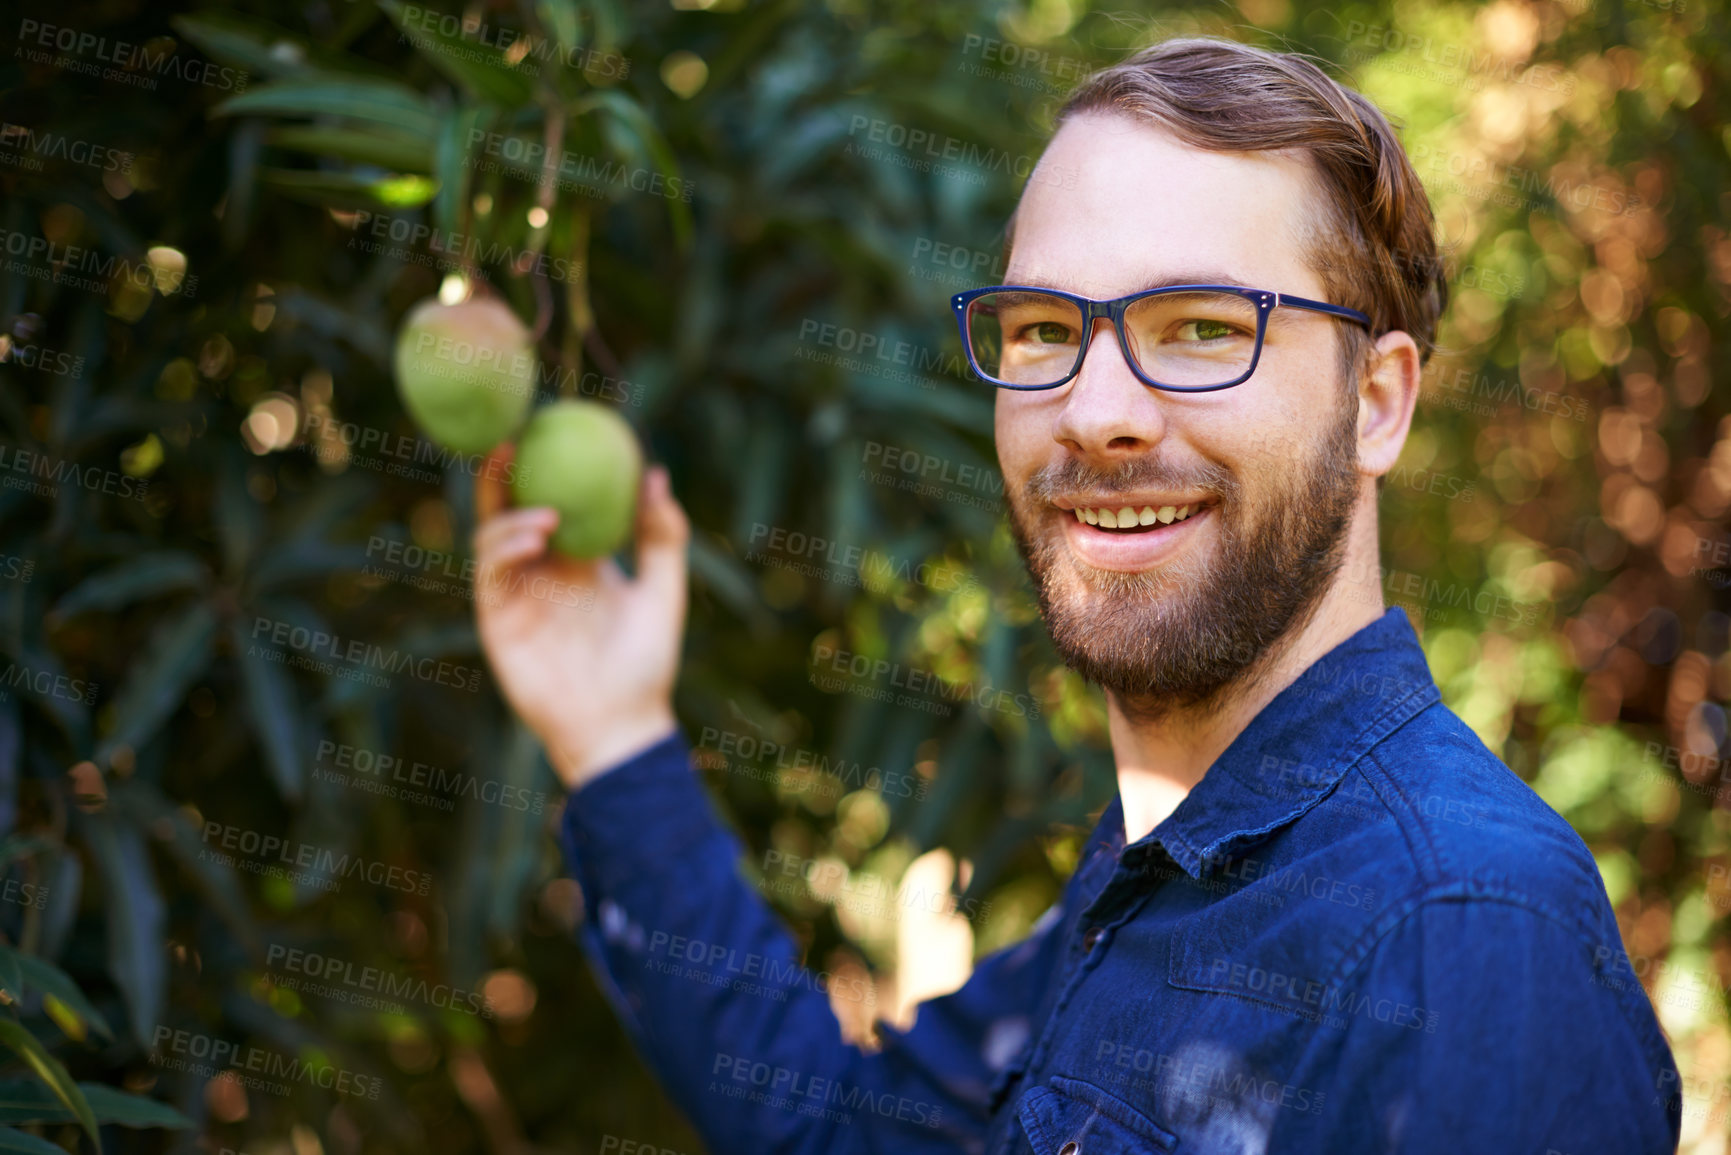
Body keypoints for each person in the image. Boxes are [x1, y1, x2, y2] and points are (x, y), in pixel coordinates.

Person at [471, 35, 1681, 1155]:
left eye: (1205, 328)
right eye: (1047, 329)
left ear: (1376, 403)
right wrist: (612, 734)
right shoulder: (1162, 870)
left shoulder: (1461, 934)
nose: (1097, 413)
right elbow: (837, 1131)